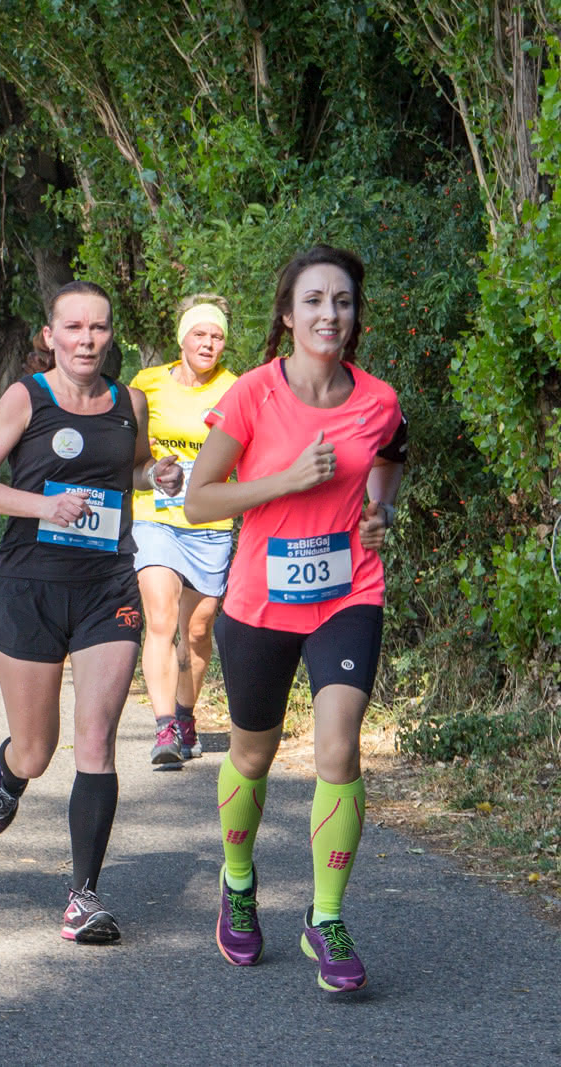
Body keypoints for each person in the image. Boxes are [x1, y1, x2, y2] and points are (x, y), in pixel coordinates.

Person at [184, 246, 406, 993]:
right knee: (253, 753)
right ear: (288, 314)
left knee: (339, 750)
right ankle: (239, 882)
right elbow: (199, 499)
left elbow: (392, 457)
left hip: (349, 592)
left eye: (342, 301)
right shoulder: (253, 394)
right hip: (259, 601)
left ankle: (327, 916)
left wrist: (380, 511)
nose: (329, 315)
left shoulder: (378, 398)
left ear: (355, 315)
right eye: (314, 301)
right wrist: (283, 480)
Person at [0, 281, 183, 943]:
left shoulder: (127, 402)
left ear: (110, 336)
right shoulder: (28, 397)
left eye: (98, 328)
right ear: (49, 336)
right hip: (31, 585)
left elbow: (132, 470)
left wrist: (157, 476)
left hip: (106, 586)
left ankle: (84, 895)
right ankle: (10, 771)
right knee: (38, 749)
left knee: (97, 739)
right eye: (73, 328)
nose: (87, 339)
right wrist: (43, 506)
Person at [129, 294, 240, 766]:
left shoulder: (239, 389)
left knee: (197, 631)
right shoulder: (147, 384)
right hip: (155, 516)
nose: (208, 343)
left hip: (210, 524)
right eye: (200, 334)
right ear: (183, 338)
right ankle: (164, 728)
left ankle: (186, 715)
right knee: (159, 618)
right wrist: (154, 471)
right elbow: (129, 457)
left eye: (216, 337)